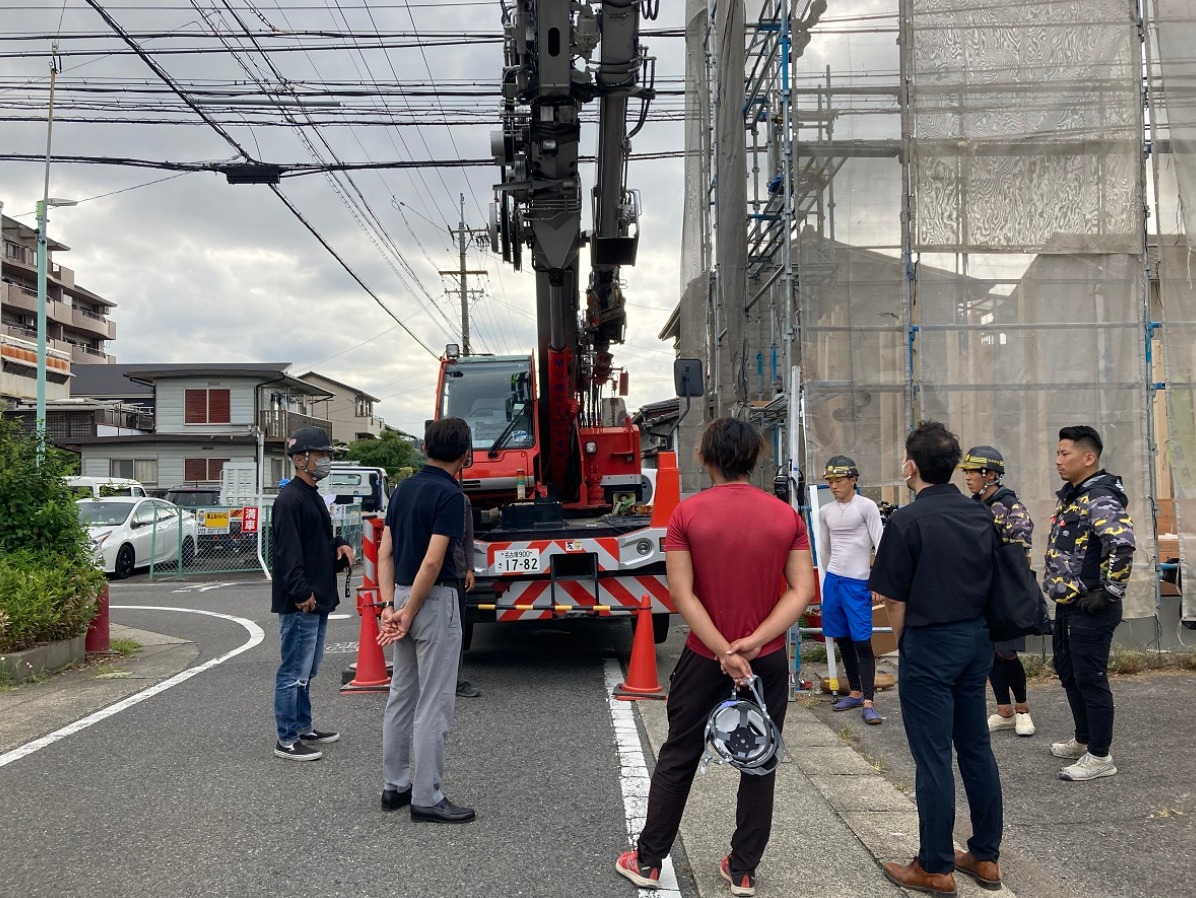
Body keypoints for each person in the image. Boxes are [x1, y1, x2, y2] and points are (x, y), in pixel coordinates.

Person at [615, 418, 815, 897]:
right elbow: (802, 590)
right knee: (759, 758)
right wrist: (752, 641)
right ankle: (743, 870)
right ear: (753, 458)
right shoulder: (786, 517)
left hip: (706, 655)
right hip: (763, 660)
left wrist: (724, 650)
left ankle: (647, 860)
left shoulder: (687, 515)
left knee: (679, 753)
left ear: (707, 459)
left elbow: (682, 594)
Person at [868, 421, 1003, 895]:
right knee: (975, 748)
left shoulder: (906, 521)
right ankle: (986, 856)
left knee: (933, 758)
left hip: (929, 641)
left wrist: (905, 642)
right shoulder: (980, 515)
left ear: (911, 465)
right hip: (975, 639)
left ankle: (935, 865)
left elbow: (894, 598)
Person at [377, 417, 475, 823]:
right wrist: (412, 611)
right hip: (432, 602)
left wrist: (390, 608)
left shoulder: (402, 490)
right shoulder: (450, 495)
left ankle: (394, 786)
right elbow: (434, 561)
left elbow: (385, 551)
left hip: (399, 594)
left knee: (401, 695)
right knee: (434, 700)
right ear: (465, 453)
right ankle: (427, 796)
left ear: (425, 448)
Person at [1043, 425, 1135, 782]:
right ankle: (1083, 740)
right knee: (1068, 672)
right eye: (1058, 453)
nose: (1058, 460)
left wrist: (1109, 593)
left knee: (1090, 678)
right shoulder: (1074, 495)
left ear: (1088, 457)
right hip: (1069, 603)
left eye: (1064, 453)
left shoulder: (1100, 495)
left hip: (1092, 606)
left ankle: (1100, 756)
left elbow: (1122, 544)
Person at [270, 426, 355, 761]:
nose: (326, 461)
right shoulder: (289, 500)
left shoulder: (313, 496)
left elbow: (317, 543)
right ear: (300, 458)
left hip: (316, 598)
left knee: (308, 668)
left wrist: (340, 545)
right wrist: (301, 592)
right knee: (293, 670)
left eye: (327, 455)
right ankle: (286, 738)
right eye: (321, 455)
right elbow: (288, 553)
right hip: (301, 601)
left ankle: (304, 727)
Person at [961, 445, 1036, 738]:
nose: (967, 477)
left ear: (990, 474)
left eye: (972, 472)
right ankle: (1003, 709)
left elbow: (1020, 549)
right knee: (990, 652)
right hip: (981, 591)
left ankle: (1023, 709)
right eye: (965, 471)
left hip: (1005, 591)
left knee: (1007, 652)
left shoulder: (1010, 506)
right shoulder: (976, 504)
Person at [817, 455, 886, 725]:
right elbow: (824, 548)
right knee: (841, 636)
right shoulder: (826, 512)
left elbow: (881, 544)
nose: (834, 486)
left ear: (853, 480)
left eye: (839, 480)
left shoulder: (866, 506)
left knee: (862, 639)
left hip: (858, 581)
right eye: (831, 481)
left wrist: (877, 581)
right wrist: (828, 578)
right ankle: (855, 691)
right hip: (834, 578)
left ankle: (869, 700)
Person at [452, 492, 481, 698]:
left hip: (410, 576)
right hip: (452, 573)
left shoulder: (404, 491)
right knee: (454, 631)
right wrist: (468, 568)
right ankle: (455, 681)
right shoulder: (458, 497)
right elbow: (466, 538)